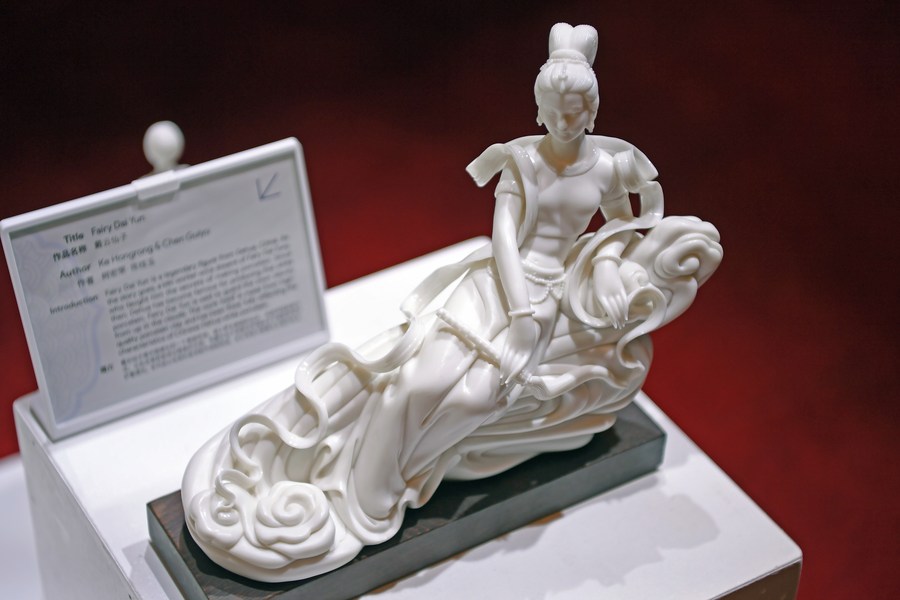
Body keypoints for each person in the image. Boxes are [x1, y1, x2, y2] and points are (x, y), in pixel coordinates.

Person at [182, 23, 722, 582]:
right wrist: (519, 314)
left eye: (575, 111)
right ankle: (361, 496)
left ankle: (399, 483)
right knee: (416, 382)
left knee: (475, 400)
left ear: (592, 110)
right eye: (554, 111)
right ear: (539, 110)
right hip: (499, 288)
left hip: (551, 297)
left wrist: (605, 264)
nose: (564, 123)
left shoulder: (608, 168)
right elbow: (504, 238)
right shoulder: (522, 163)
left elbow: (617, 227)